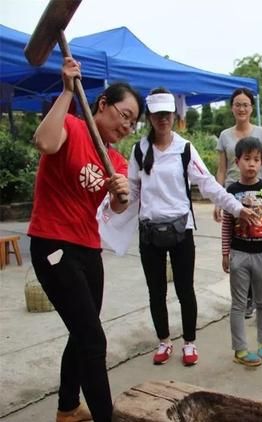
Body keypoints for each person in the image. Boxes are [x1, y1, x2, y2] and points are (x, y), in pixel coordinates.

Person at [28, 58, 142, 422]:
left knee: (82, 332)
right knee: (93, 341)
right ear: (103, 104)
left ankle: (67, 409)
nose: (127, 125)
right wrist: (65, 91)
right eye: (123, 114)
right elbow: (43, 142)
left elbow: (117, 205)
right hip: (53, 244)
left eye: (132, 122)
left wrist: (121, 192)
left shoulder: (115, 161)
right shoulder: (73, 129)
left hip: (89, 249)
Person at [129, 88, 258, 367]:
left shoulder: (184, 148)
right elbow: (131, 190)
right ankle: (164, 341)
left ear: (174, 116)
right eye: (157, 115)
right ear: (150, 117)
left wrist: (236, 208)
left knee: (185, 289)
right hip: (149, 232)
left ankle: (189, 342)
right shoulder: (139, 150)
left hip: (181, 231)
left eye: (167, 114)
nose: (163, 119)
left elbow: (209, 184)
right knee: (156, 291)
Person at [221, 137, 262, 366]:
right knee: (238, 304)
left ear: (261, 162)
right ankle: (240, 349)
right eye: (246, 159)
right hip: (239, 255)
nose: (251, 164)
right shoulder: (231, 190)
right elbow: (227, 225)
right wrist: (225, 254)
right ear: (237, 161)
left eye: (256, 159)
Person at [215, 88, 262, 318]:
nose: (241, 108)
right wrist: (219, 200)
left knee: (256, 240)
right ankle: (242, 296)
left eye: (246, 104)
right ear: (232, 107)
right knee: (235, 242)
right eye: (237, 104)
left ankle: (255, 296)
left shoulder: (261, 133)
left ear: (251, 108)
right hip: (232, 195)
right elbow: (221, 169)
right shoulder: (224, 136)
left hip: (257, 195)